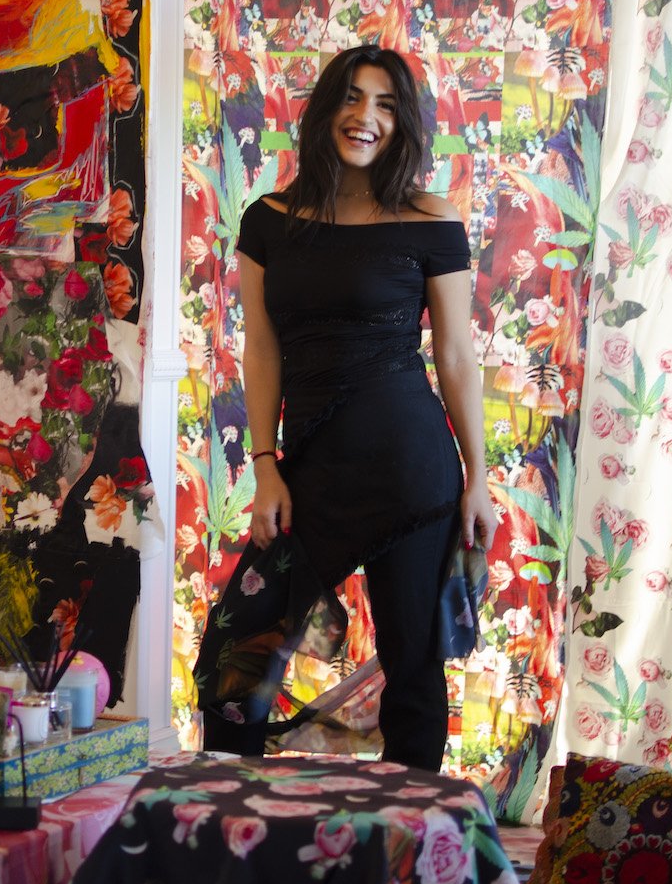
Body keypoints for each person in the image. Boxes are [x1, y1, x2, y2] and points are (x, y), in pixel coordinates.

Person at [194, 45, 497, 770]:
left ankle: (414, 830)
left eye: (385, 105)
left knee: (414, 667)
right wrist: (265, 465)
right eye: (352, 98)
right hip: (309, 469)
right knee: (234, 656)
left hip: (410, 470)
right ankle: (227, 817)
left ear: (403, 124)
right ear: (326, 109)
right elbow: (262, 350)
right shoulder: (269, 220)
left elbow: (456, 356)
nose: (366, 117)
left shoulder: (429, 219)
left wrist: (479, 477)